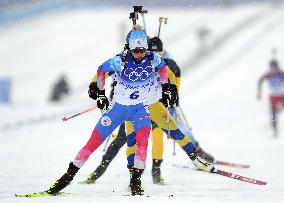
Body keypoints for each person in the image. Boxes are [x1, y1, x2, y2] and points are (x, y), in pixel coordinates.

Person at [38, 25, 177, 196]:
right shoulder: (121, 60)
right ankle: (66, 178)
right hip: (118, 110)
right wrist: (101, 94)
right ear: (129, 48)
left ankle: (135, 181)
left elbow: (163, 69)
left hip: (140, 110)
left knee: (142, 146)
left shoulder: (153, 58)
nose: (139, 54)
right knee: (92, 143)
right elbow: (101, 71)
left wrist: (167, 88)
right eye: (136, 51)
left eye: (142, 50)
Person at [81, 36, 215, 189]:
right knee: (123, 140)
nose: (154, 54)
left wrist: (171, 97)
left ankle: (157, 172)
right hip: (133, 107)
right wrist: (100, 91)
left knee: (164, 134)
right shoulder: (134, 60)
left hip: (157, 106)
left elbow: (173, 82)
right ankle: (103, 170)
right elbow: (104, 73)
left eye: (158, 52)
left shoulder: (165, 64)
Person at [257, 59, 284, 137]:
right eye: (271, 68)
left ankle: (279, 110)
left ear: (277, 68)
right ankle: (275, 130)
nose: (273, 70)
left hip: (282, 96)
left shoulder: (281, 74)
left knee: (279, 109)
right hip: (273, 97)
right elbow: (260, 80)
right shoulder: (268, 75)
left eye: (274, 68)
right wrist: (259, 92)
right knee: (273, 114)